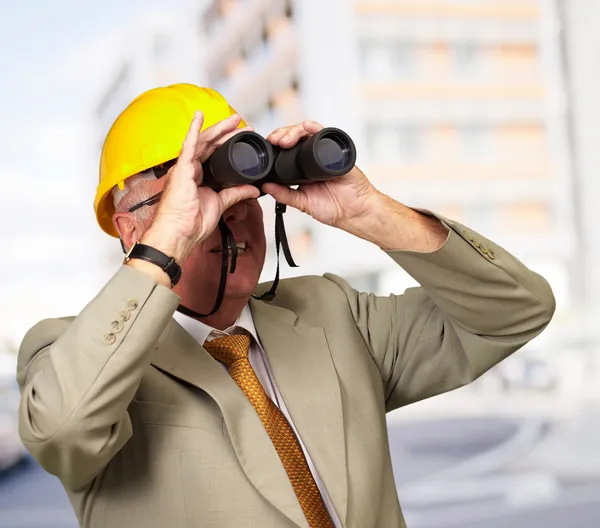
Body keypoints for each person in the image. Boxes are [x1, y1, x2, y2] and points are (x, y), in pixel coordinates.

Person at [16, 84, 555, 528]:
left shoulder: (331, 313)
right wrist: (170, 240)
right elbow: (61, 432)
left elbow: (517, 311)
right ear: (130, 228)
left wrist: (368, 212)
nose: (227, 216)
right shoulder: (67, 350)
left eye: (238, 192)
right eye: (193, 194)